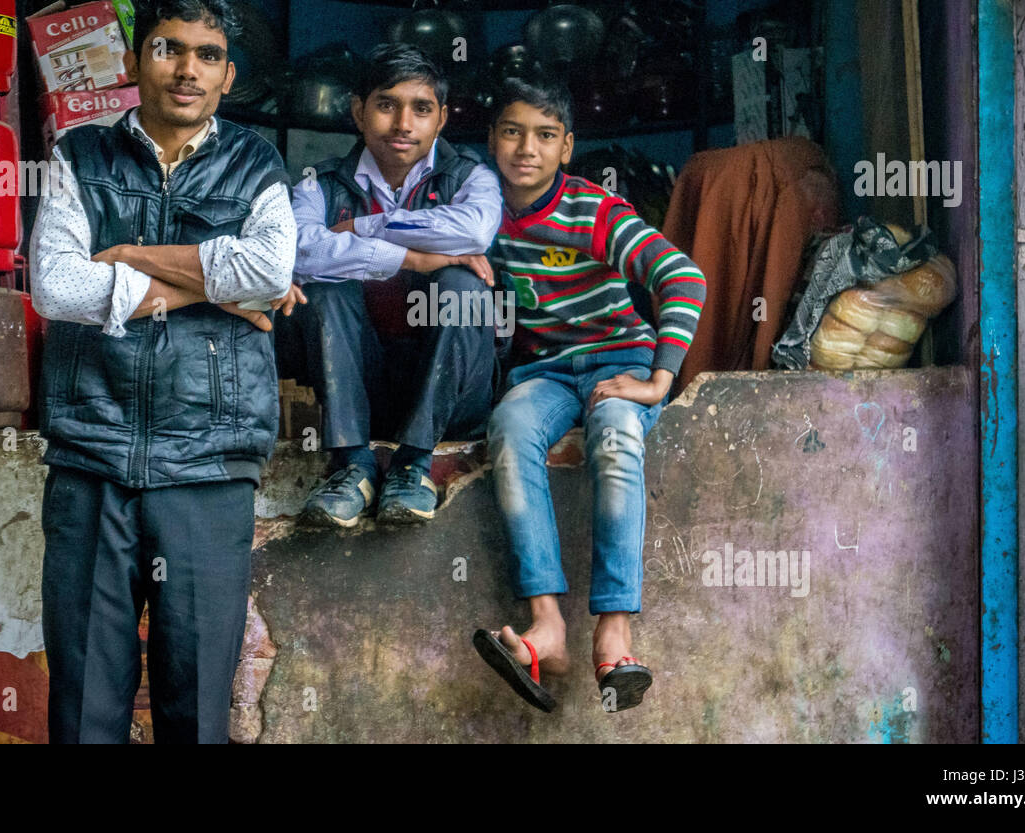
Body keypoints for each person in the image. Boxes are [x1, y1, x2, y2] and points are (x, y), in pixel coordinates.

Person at [28, 0, 296, 743]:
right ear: (135, 58)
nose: (187, 70)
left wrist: (136, 257)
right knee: (84, 711)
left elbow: (272, 275)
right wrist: (211, 284)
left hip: (209, 465)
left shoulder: (257, 165)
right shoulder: (78, 155)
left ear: (227, 75)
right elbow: (55, 285)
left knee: (199, 711)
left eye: (207, 55)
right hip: (91, 457)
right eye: (168, 48)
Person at [472, 79, 707, 713]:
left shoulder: (593, 210)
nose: (527, 148)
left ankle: (615, 631)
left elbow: (683, 275)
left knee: (617, 433)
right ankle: (548, 626)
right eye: (513, 131)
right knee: (511, 430)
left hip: (621, 357)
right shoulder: (479, 210)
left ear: (567, 147)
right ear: (492, 139)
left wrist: (659, 377)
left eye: (546, 136)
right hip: (545, 372)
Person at [275, 43, 503, 529]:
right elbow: (296, 250)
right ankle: (354, 465)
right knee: (325, 289)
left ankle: (412, 464)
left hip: (454, 396)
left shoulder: (471, 178)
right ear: (359, 111)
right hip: (356, 390)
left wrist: (361, 229)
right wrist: (414, 256)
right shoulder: (320, 185)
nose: (403, 123)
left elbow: (475, 231)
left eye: (421, 109)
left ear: (441, 118)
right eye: (386, 105)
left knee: (463, 287)